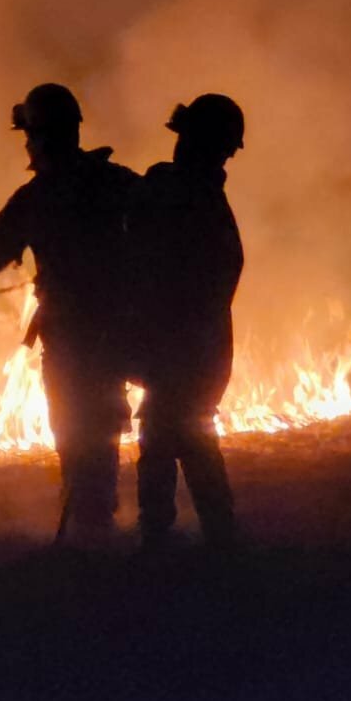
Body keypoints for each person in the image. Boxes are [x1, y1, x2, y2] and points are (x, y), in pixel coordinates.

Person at [0, 83, 139, 547]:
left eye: (30, 135)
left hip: (73, 336)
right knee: (100, 424)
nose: (26, 145)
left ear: (43, 137)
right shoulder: (118, 183)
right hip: (115, 330)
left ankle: (90, 520)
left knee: (77, 425)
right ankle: (97, 515)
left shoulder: (39, 199)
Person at [129, 93, 245, 549]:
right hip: (198, 350)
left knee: (173, 438)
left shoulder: (185, 199)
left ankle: (175, 536)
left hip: (187, 351)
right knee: (175, 436)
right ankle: (208, 534)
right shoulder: (194, 197)